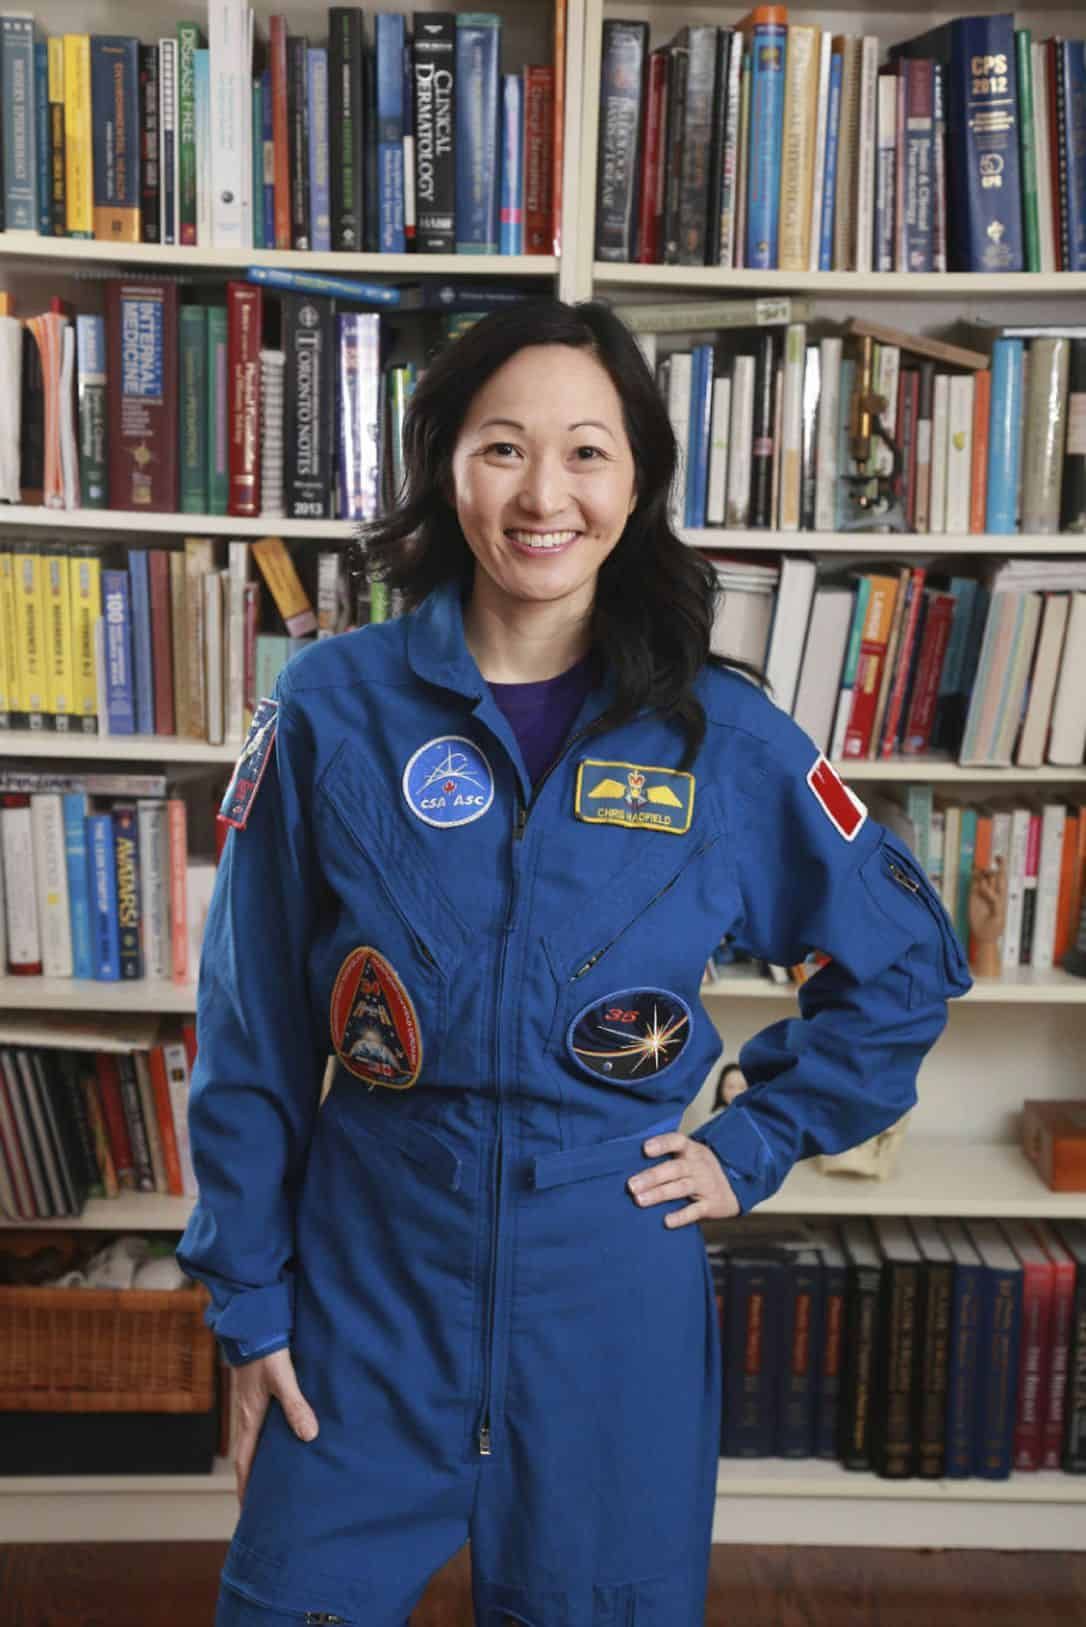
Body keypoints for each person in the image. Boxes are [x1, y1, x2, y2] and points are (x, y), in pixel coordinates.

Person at [177, 298, 972, 1627]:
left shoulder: (722, 737)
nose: (544, 495)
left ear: (638, 480)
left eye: (587, 452)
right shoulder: (331, 708)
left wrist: (752, 1142)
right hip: (369, 1282)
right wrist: (251, 1304)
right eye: (502, 447)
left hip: (609, 1301)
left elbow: (899, 969)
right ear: (446, 466)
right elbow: (252, 1025)